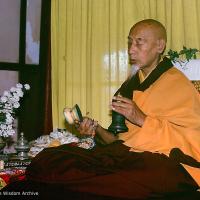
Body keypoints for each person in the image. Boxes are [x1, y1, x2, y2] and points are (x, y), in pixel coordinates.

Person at [3, 19, 200, 199]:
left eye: (139, 42)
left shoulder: (178, 86)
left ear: (160, 46)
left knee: (117, 179)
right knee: (47, 159)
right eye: (130, 42)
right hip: (127, 156)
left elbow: (194, 144)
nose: (131, 50)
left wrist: (141, 119)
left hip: (169, 165)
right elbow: (118, 141)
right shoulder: (129, 86)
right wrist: (95, 128)